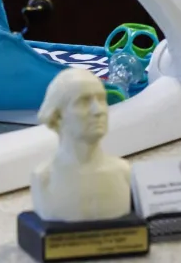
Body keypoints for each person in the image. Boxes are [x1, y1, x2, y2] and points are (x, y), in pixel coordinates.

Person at [30, 68, 132, 222]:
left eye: (101, 99)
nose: (98, 110)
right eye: (84, 101)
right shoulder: (44, 179)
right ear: (57, 116)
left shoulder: (124, 172)